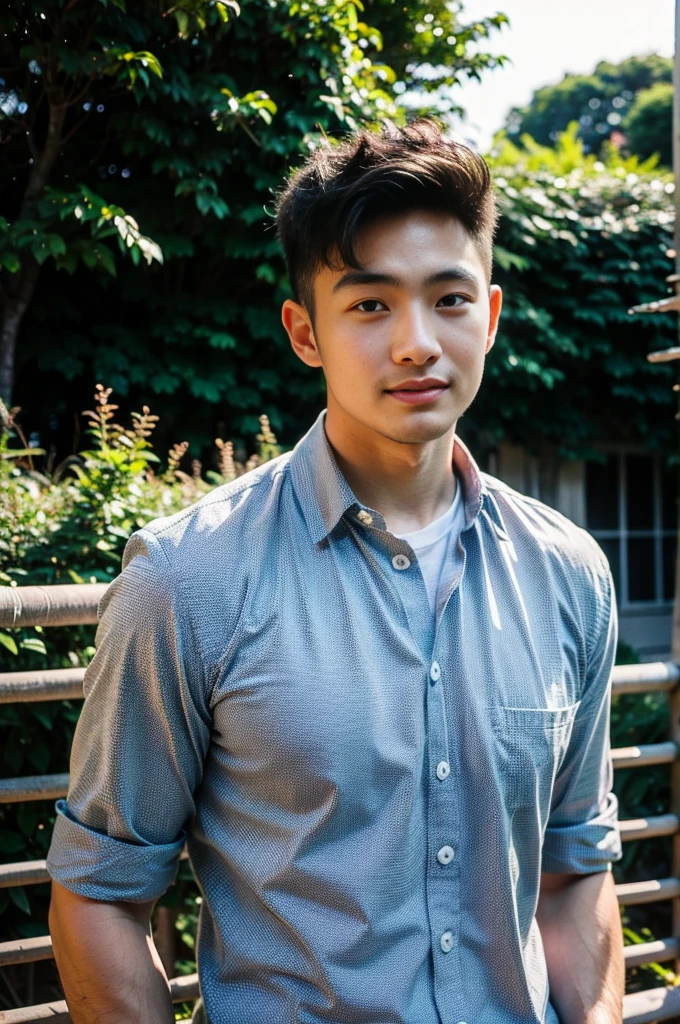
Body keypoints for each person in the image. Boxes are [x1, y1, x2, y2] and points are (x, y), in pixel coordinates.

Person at [47, 118, 624, 1024]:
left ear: (492, 314)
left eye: (449, 299)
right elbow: (100, 899)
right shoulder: (186, 580)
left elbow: (575, 870)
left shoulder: (571, 575)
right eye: (368, 304)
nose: (416, 344)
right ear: (304, 332)